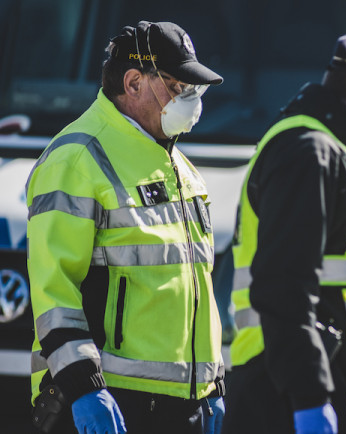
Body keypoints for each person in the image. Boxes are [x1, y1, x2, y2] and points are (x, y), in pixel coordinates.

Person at [223, 30, 346, 434]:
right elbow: (284, 286)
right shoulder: (310, 152)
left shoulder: (324, 151)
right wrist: (310, 398)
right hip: (293, 390)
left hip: (329, 381)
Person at [26, 21, 226, 434]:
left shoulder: (179, 166)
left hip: (181, 405)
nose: (190, 101)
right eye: (178, 87)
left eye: (195, 90)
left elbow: (195, 288)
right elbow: (54, 290)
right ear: (134, 82)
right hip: (112, 400)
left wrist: (214, 384)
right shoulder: (77, 158)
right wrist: (84, 389)